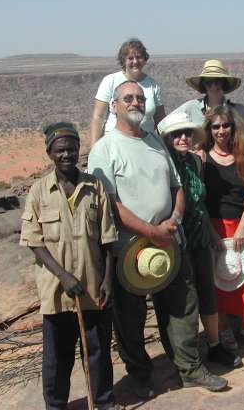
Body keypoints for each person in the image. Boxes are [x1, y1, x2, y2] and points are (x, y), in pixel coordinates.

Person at [87, 81, 228, 397]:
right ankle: (140, 376)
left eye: (139, 98)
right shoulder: (104, 149)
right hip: (128, 249)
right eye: (128, 98)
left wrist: (173, 220)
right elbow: (111, 204)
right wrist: (152, 230)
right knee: (130, 316)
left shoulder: (155, 140)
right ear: (114, 106)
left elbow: (176, 187)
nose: (135, 102)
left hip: (168, 242)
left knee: (182, 305)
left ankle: (190, 369)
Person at [20, 122, 121, 410]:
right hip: (58, 292)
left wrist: (107, 281)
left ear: (79, 150)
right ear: (50, 153)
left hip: (93, 288)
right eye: (60, 150)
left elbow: (108, 240)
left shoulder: (95, 187)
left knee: (98, 351)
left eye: (72, 148)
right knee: (57, 357)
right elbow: (34, 242)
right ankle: (55, 405)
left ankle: (103, 402)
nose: (67, 154)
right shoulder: (39, 191)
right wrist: (64, 276)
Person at [158, 112, 243, 369]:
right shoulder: (164, 164)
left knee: (207, 293)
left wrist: (212, 235)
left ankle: (215, 346)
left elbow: (202, 203)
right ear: (167, 138)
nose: (183, 138)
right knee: (186, 298)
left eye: (186, 133)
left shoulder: (196, 162)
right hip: (177, 241)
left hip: (200, 237)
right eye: (176, 134)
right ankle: (187, 359)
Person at [200, 106, 244, 349]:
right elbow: (200, 200)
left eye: (225, 125)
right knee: (219, 277)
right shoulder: (203, 158)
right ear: (210, 130)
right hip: (214, 225)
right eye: (215, 127)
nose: (221, 131)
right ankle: (224, 327)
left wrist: (242, 227)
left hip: (239, 225)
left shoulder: (243, 154)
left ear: (233, 127)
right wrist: (213, 232)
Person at [163, 59, 244, 154]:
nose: (213, 86)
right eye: (209, 82)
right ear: (203, 85)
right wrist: (183, 154)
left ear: (224, 84)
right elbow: (163, 127)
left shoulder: (239, 110)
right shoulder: (190, 107)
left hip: (230, 166)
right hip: (199, 168)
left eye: (218, 82)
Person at [90, 38, 165, 146]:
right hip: (114, 143)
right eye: (130, 58)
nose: (135, 61)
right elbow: (98, 117)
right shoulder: (110, 81)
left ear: (144, 59)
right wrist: (94, 148)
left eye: (139, 57)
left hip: (146, 144)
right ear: (123, 61)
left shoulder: (153, 85)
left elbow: (161, 120)